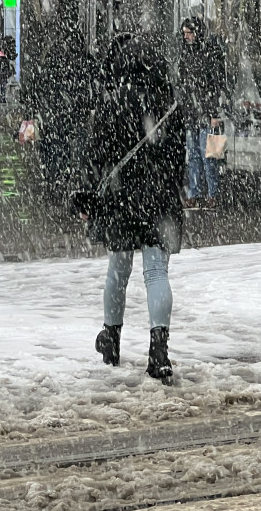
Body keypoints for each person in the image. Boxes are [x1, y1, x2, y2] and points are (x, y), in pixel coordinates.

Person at [77, 32, 186, 384]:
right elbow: (178, 160)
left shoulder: (111, 104)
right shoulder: (169, 104)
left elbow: (96, 156)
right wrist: (164, 186)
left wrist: (89, 193)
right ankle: (159, 348)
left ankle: (111, 336)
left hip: (121, 201)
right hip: (159, 200)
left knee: (118, 271)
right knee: (156, 273)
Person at [178, 17, 227, 209]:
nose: (187, 37)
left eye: (189, 33)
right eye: (185, 33)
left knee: (210, 156)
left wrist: (215, 113)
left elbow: (216, 85)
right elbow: (183, 83)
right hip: (193, 112)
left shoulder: (210, 54)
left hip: (206, 112)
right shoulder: (186, 54)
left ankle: (212, 193)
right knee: (195, 156)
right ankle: (196, 192)